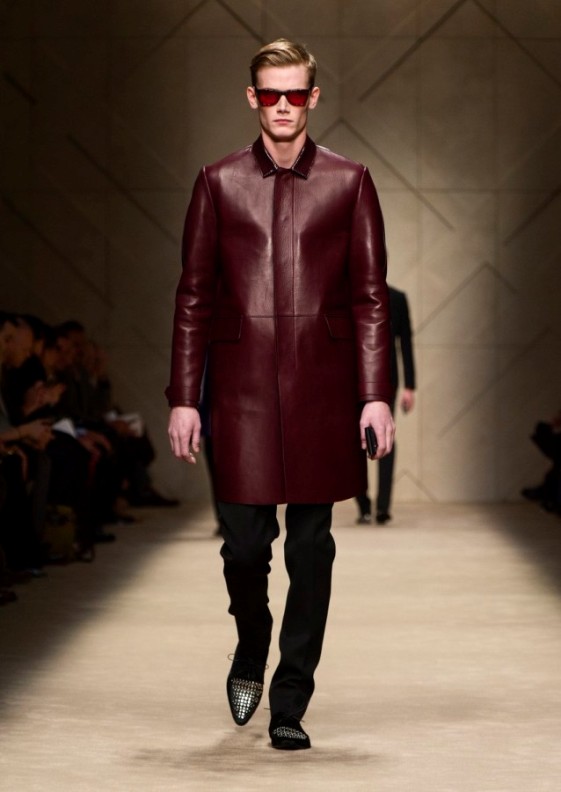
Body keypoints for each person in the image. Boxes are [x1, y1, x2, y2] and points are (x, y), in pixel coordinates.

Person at [166, 38, 394, 751]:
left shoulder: (350, 181)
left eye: (296, 93)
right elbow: (194, 296)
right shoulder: (218, 182)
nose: (284, 105)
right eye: (271, 94)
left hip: (323, 388)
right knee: (242, 548)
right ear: (253, 98)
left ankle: (290, 698)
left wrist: (375, 393)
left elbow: (370, 297)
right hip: (240, 393)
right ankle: (251, 639)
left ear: (314, 97)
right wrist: (183, 396)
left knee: (312, 550)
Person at [355, 285, 416, 525]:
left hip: (387, 378)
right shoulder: (352, 293)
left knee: (385, 436)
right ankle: (363, 505)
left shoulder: (397, 298)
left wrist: (410, 386)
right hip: (352, 377)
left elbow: (406, 341)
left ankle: (382, 507)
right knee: (355, 440)